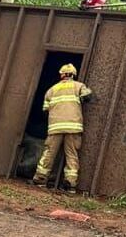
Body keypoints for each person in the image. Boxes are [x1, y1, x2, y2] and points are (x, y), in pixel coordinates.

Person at [31, 63, 93, 192]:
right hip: (74, 127)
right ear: (73, 75)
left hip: (56, 127)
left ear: (61, 75)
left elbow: (45, 109)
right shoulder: (79, 86)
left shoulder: (52, 90)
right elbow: (87, 96)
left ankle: (40, 179)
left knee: (49, 152)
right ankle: (70, 184)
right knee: (72, 154)